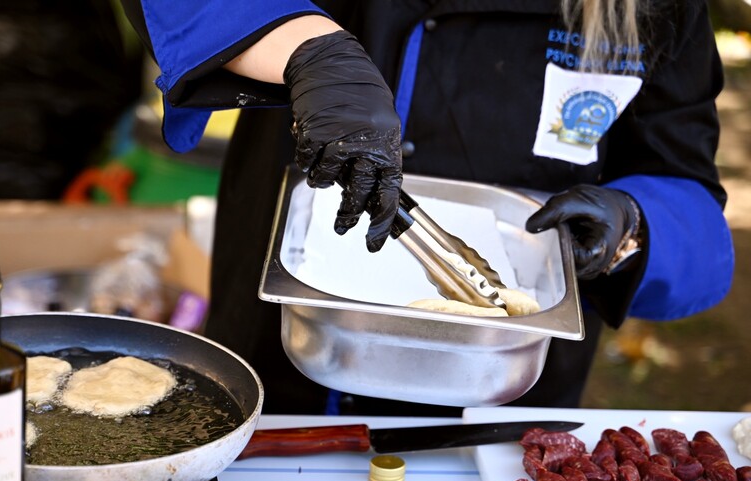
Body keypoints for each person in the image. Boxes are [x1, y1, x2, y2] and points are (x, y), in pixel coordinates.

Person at [119, 1, 734, 415]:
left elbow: (692, 208)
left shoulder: (656, 9)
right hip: (288, 364)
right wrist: (308, 50)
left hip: (504, 413)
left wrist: (632, 225)